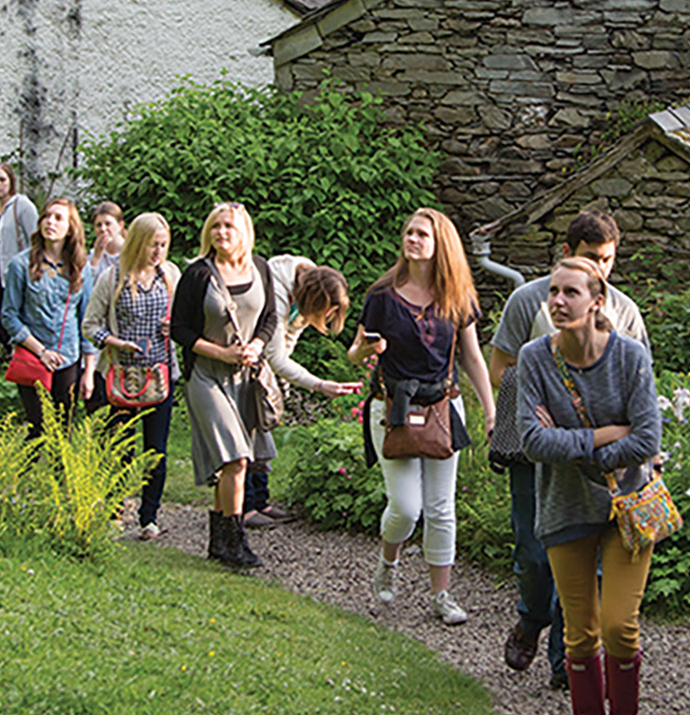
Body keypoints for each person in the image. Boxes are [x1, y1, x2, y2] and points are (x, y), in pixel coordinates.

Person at [486, 210, 649, 685]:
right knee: (536, 556)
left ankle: (566, 661)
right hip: (533, 447)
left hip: (599, 459)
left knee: (585, 559)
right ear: (565, 253)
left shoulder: (624, 311)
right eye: (590, 258)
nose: (601, 268)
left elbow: (640, 385)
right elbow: (500, 369)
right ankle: (532, 617)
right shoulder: (526, 300)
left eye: (608, 260)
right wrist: (540, 402)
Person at [516, 257, 663, 715]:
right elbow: (531, 441)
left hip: (628, 505)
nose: (557, 301)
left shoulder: (630, 358)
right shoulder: (535, 360)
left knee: (619, 625)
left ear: (596, 300)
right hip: (564, 508)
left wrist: (573, 447)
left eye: (570, 293)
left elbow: (648, 438)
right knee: (579, 635)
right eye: (553, 292)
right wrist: (605, 437)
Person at [347, 207, 495, 624]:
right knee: (407, 507)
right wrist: (365, 352)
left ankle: (441, 595)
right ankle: (388, 560)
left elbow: (472, 357)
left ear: (439, 245)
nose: (412, 240)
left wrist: (490, 410)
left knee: (441, 507)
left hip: (443, 406)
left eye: (421, 235)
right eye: (408, 232)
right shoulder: (381, 295)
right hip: (391, 406)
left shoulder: (457, 297)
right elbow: (355, 352)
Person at [167, 202, 279, 569]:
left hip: (246, 380)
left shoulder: (260, 267)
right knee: (236, 458)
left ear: (244, 230)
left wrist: (257, 346)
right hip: (207, 376)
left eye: (229, 226)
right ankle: (236, 542)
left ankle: (218, 542)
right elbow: (180, 330)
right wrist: (221, 353)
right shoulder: (198, 274)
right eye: (215, 227)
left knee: (233, 462)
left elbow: (270, 318)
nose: (221, 233)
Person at [242, 256, 364, 527]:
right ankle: (246, 507)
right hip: (245, 360)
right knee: (248, 432)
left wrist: (281, 380)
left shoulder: (309, 283)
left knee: (263, 427)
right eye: (328, 310)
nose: (329, 317)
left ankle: (261, 502)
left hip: (266, 364)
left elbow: (289, 338)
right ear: (314, 299)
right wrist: (318, 384)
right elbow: (275, 356)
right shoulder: (277, 290)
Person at [81, 212, 181, 539]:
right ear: (138, 242)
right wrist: (115, 341)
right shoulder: (111, 278)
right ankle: (113, 512)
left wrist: (174, 327)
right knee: (118, 448)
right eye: (153, 245)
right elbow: (89, 325)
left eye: (163, 246)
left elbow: (185, 320)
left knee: (156, 450)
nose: (158, 253)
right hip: (120, 375)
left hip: (160, 375)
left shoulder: (170, 275)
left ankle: (149, 517)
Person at [7, 197, 91, 435]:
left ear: (70, 228)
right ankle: (19, 473)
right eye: (46, 216)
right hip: (33, 357)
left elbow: (87, 320)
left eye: (58, 218)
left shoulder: (81, 267)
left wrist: (89, 370)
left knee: (63, 432)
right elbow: (9, 316)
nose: (50, 222)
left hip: (68, 358)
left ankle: (60, 474)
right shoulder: (21, 265)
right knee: (38, 430)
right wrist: (41, 351)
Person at [0, 160, 41, 364]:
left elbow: (36, 241)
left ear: (11, 181)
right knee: (3, 326)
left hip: (17, 276)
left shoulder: (22, 206)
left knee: (18, 323)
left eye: (1, 180)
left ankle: (25, 366)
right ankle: (11, 364)